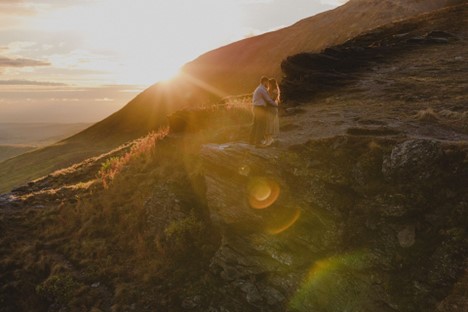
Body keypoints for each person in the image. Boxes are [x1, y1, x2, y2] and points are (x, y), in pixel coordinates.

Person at [249, 76, 278, 147]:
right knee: (261, 125)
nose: (268, 84)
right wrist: (276, 105)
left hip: (256, 107)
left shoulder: (259, 88)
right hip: (260, 108)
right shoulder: (262, 89)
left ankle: (251, 141)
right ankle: (258, 142)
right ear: (264, 82)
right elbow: (268, 100)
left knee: (255, 124)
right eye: (267, 82)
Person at [264, 78, 280, 146]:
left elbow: (272, 99)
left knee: (270, 124)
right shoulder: (268, 90)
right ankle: (267, 140)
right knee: (266, 124)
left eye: (269, 84)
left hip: (272, 109)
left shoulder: (275, 90)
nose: (268, 85)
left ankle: (270, 140)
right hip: (268, 108)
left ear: (272, 84)